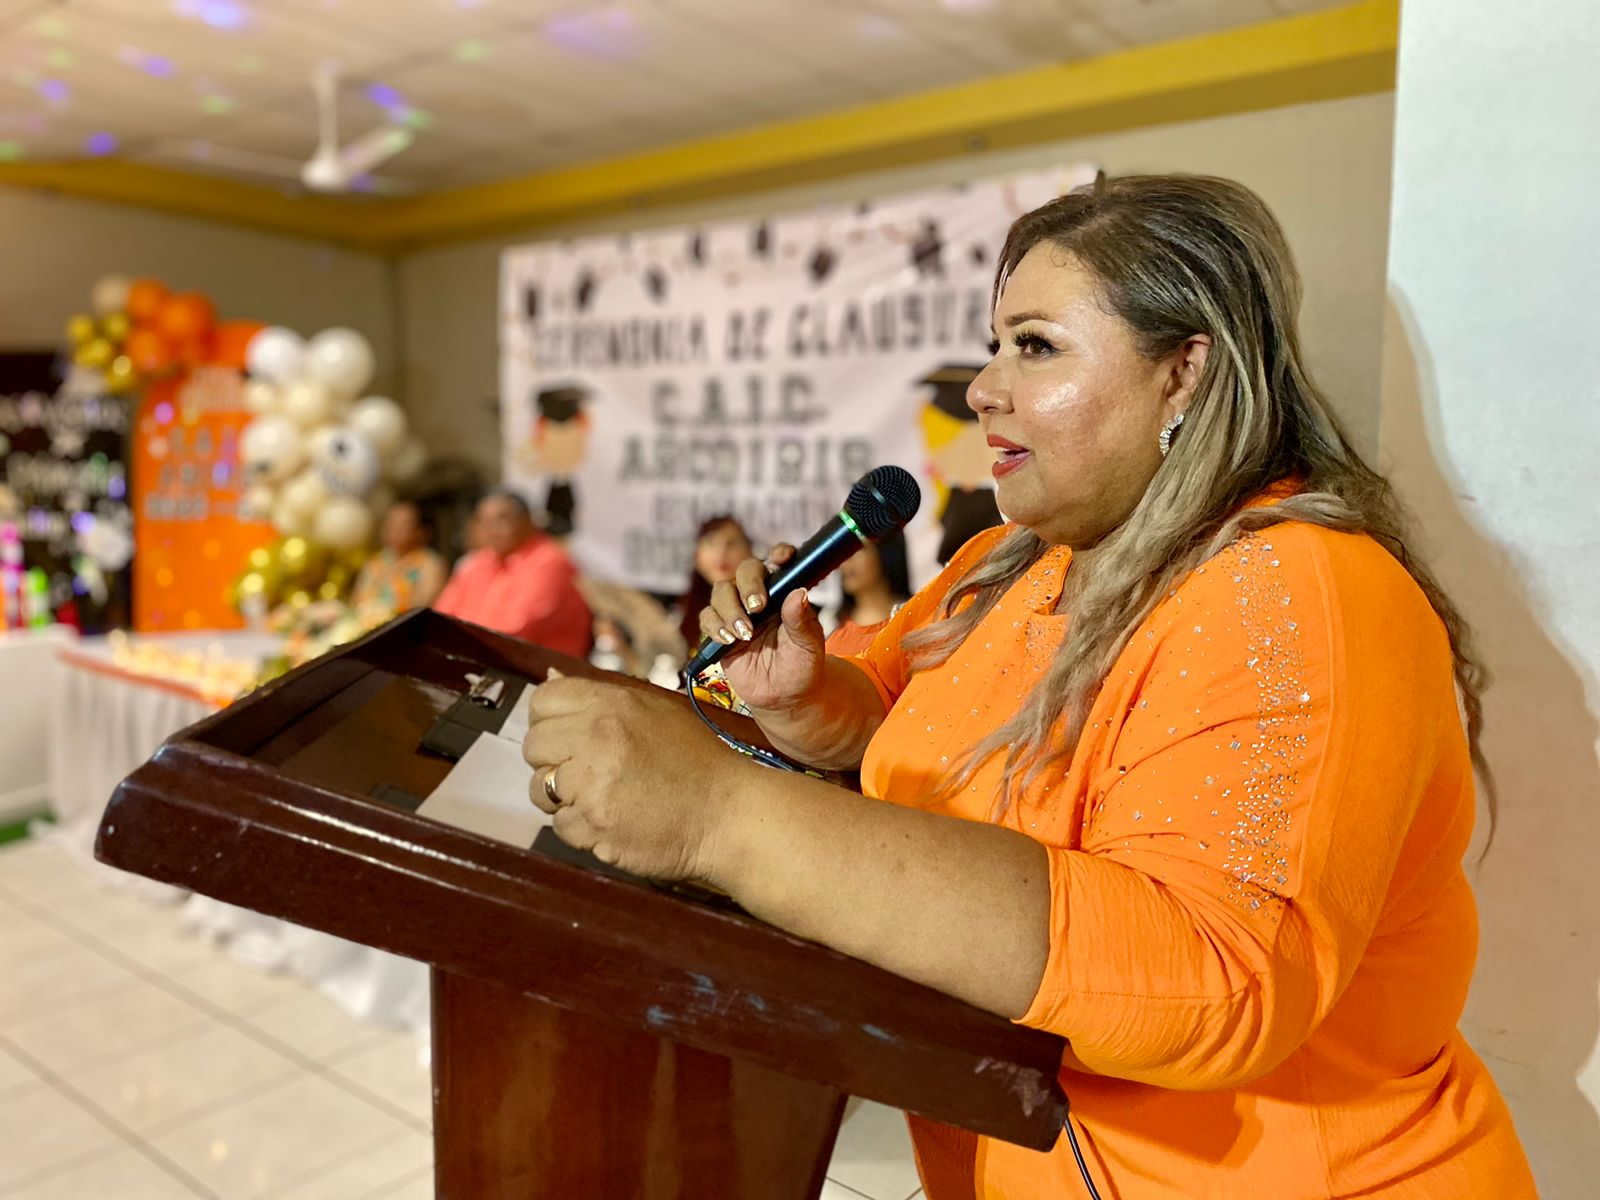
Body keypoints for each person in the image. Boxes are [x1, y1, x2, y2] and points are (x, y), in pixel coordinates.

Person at [520, 175, 1535, 1198]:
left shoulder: (1298, 590)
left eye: (1035, 347)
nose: (983, 387)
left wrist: (722, 816)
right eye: (995, 343)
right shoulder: (1011, 558)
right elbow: (888, 701)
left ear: (1182, 375)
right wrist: (804, 701)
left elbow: (1209, 977)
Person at [434, 490, 591, 658]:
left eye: (501, 520)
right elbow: (440, 619)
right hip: (481, 661)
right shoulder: (477, 563)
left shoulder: (551, 563)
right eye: (484, 522)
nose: (492, 530)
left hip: (543, 674)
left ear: (528, 521)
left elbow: (516, 632)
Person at [349, 500, 447, 622]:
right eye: (391, 522)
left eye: (404, 524)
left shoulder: (430, 564)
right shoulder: (376, 561)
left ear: (420, 531)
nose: (394, 529)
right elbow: (356, 603)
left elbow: (422, 609)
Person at [825, 530, 912, 658]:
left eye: (858, 549)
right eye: (843, 551)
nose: (846, 561)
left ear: (885, 552)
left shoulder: (915, 615)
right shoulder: (828, 624)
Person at [675, 514, 753, 652]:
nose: (721, 553)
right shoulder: (679, 612)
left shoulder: (759, 601)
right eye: (711, 543)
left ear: (749, 551)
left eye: (732, 543)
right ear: (697, 555)